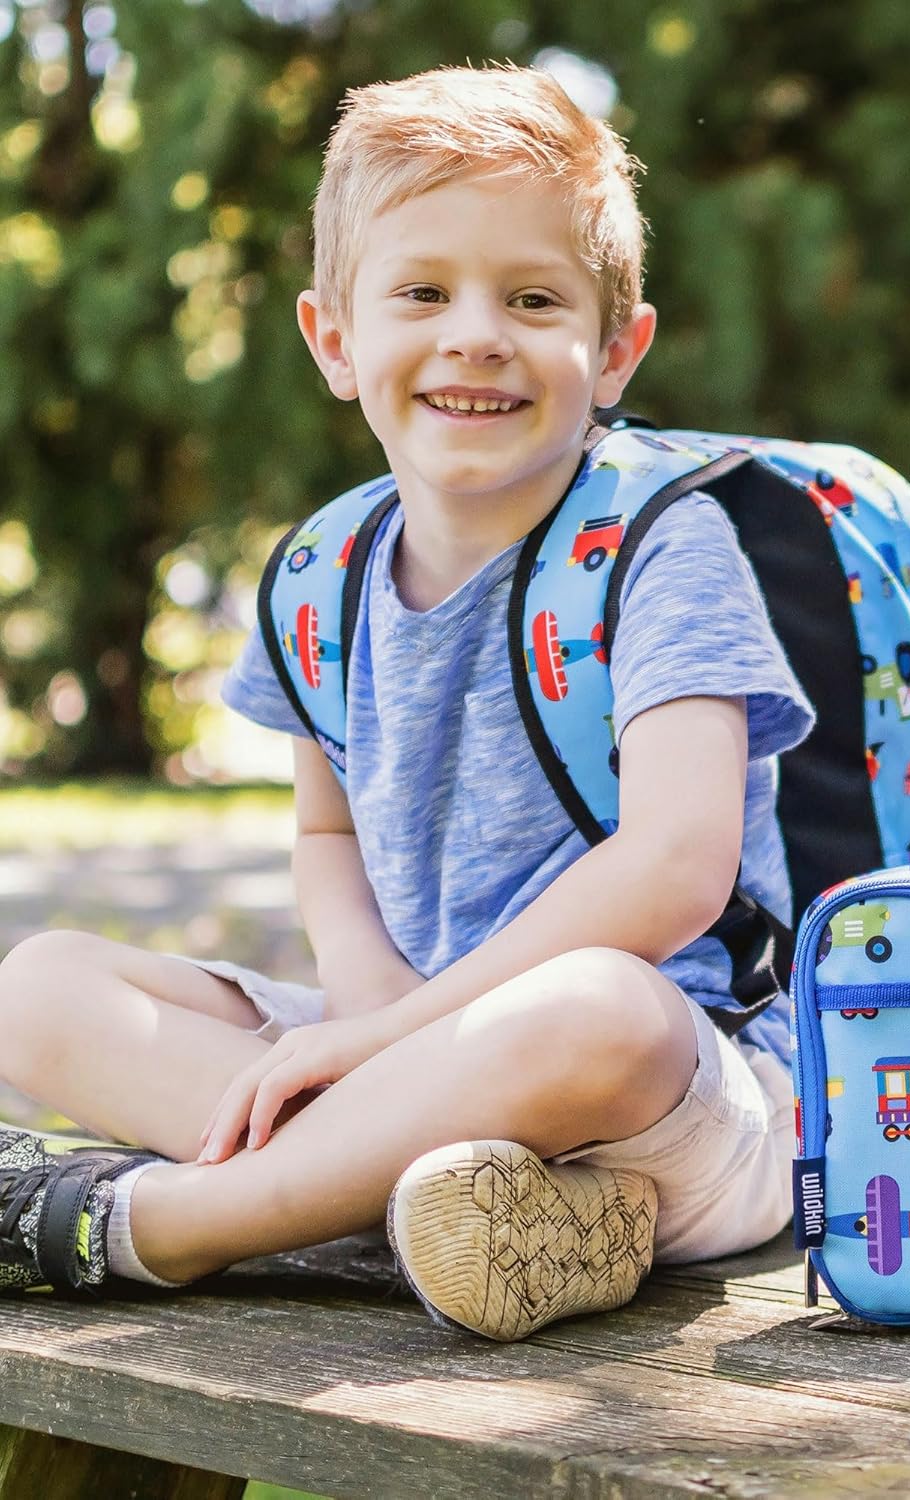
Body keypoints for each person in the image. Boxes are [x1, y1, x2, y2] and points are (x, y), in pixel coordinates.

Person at [0, 63, 812, 1340]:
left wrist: (392, 1042)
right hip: (413, 1054)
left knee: (595, 1008)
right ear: (336, 339)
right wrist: (371, 1012)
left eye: (533, 299)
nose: (476, 334)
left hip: (675, 1084)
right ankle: (479, 1214)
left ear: (615, 351)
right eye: (423, 293)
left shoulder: (663, 545)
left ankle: (177, 1224)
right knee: (40, 989)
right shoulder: (322, 575)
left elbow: (677, 872)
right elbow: (327, 834)